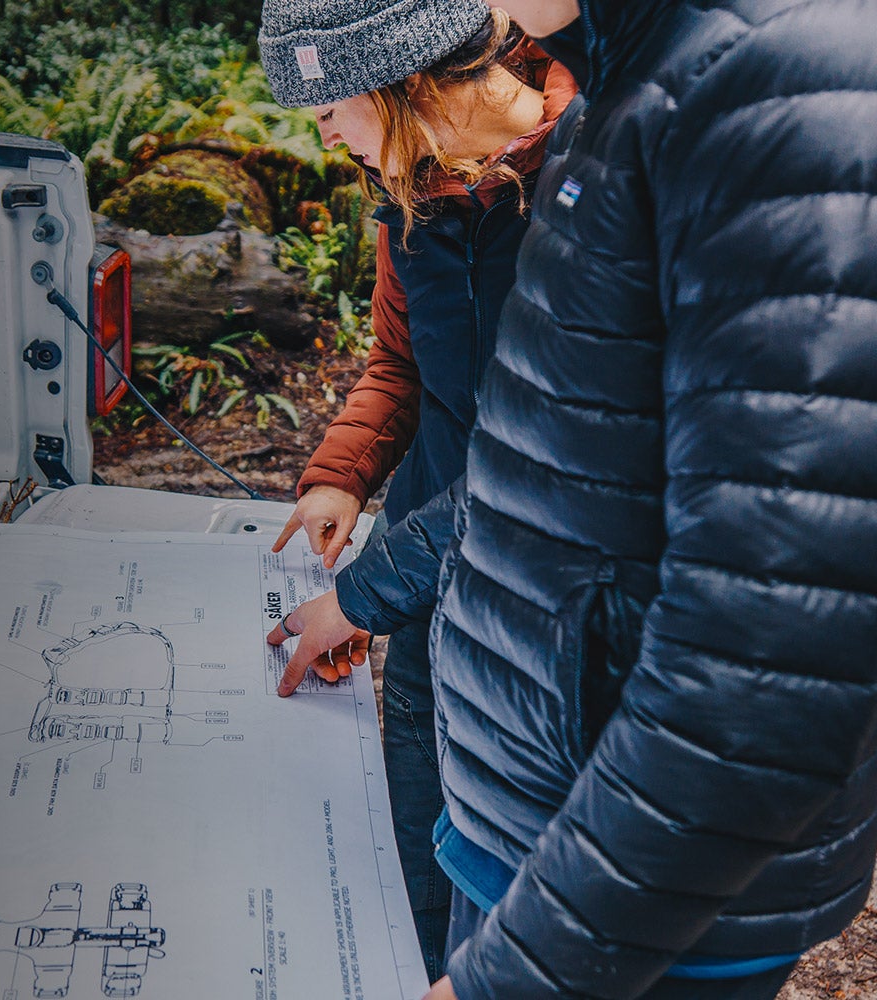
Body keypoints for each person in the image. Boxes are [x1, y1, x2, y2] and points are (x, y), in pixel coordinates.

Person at [266, 0, 877, 997]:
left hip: (616, 892)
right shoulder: (643, 72)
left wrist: (513, 978)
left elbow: (765, 673)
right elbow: (550, 469)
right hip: (535, 810)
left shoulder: (822, 83)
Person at [253, 0, 579, 977]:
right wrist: (342, 479)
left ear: (396, 83)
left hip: (542, 594)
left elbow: (548, 465)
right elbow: (403, 363)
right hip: (427, 564)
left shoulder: (583, 185)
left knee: (502, 847)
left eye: (328, 104)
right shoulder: (406, 190)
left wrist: (359, 594)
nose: (321, 131)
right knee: (412, 810)